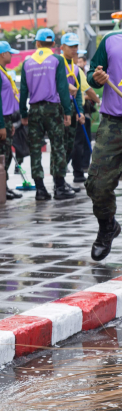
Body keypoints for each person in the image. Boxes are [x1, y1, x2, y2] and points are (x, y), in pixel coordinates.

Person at [19, 28, 74, 201]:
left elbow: (23, 91)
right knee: (58, 146)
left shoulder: (27, 63)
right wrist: (67, 111)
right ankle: (59, 187)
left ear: (37, 43)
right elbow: (63, 88)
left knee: (35, 149)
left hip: (34, 110)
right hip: (53, 109)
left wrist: (23, 112)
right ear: (53, 44)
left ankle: (40, 190)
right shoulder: (57, 60)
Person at [85, 24, 122, 261]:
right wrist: (96, 78)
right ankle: (107, 225)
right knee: (97, 185)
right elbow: (91, 74)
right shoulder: (111, 39)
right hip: (112, 123)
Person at [0, 41, 22, 200]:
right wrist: (1, 125)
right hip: (0, 119)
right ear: (3, 54)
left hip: (7, 119)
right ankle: (0, 187)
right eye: (10, 53)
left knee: (7, 154)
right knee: (2, 154)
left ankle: (4, 186)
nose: (12, 55)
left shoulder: (1, 71)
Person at [59, 33, 84, 194]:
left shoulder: (75, 68)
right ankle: (59, 182)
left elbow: (79, 91)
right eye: (71, 46)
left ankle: (62, 179)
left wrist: (80, 110)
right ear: (62, 47)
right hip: (60, 110)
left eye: (76, 46)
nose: (74, 49)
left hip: (73, 109)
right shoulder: (57, 63)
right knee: (59, 147)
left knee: (69, 146)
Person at [73, 49, 99, 184]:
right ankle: (78, 171)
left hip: (69, 111)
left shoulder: (64, 68)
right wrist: (101, 102)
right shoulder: (76, 71)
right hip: (77, 111)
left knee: (70, 144)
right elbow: (88, 90)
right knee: (78, 142)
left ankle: (73, 171)